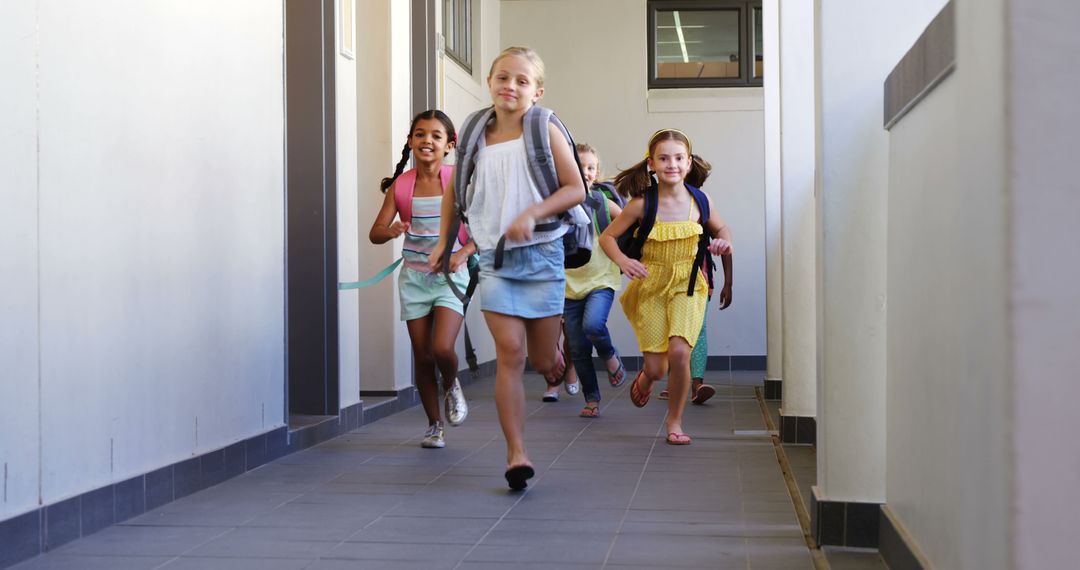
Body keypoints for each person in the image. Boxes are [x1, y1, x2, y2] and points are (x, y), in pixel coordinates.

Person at [430, 47, 586, 490]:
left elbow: (575, 188)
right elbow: (454, 191)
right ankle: (516, 453)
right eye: (502, 77)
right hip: (496, 259)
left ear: (537, 91)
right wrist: (446, 240)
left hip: (543, 253)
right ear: (489, 81)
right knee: (511, 355)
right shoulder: (477, 131)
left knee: (540, 359)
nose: (510, 86)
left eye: (521, 81)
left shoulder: (544, 128)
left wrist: (534, 213)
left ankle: (555, 358)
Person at [598, 129, 732, 445]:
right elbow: (607, 237)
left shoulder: (700, 201)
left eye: (678, 158)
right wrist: (622, 261)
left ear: (688, 164)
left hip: (688, 286)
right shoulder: (642, 204)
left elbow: (722, 228)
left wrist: (725, 242)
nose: (671, 164)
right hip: (652, 286)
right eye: (663, 158)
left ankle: (675, 422)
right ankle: (647, 378)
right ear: (651, 164)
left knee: (680, 353)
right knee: (658, 367)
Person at [369, 109, 472, 449]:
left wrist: (462, 254)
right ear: (411, 142)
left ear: (449, 145)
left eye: (436, 135)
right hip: (414, 279)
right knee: (423, 355)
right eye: (420, 134)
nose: (427, 140)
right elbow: (375, 233)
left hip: (450, 278)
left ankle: (452, 384)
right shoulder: (401, 186)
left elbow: (486, 228)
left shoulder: (458, 181)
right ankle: (433, 425)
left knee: (442, 347)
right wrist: (392, 229)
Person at [563, 143, 627, 418]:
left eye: (590, 167)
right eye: (578, 166)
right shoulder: (558, 202)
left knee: (593, 324)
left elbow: (629, 222)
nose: (585, 171)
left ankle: (610, 357)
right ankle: (592, 399)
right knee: (577, 347)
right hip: (568, 285)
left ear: (596, 172)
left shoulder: (601, 201)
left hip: (601, 279)